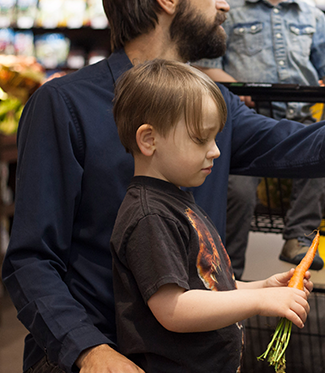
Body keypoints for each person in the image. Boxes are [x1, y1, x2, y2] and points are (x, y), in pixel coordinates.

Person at [2, 0, 325, 373]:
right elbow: (31, 260)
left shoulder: (214, 105)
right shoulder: (64, 106)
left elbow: (302, 146)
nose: (225, 3)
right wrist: (89, 352)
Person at [110, 59, 312, 372]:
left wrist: (264, 287)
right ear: (149, 140)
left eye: (215, 138)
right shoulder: (150, 216)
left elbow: (209, 288)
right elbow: (174, 309)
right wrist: (258, 304)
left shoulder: (177, 202)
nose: (215, 150)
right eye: (200, 138)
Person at [193, 0, 325, 276]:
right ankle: (229, 267)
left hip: (298, 122)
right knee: (237, 191)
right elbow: (204, 68)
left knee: (321, 160)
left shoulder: (312, 16)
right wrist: (234, 86)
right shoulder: (228, 12)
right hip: (244, 127)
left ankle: (298, 236)